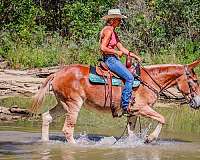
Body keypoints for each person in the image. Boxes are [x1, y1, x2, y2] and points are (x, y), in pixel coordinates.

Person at [100, 9, 142, 114]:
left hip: (113, 58)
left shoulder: (113, 32)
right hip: (110, 59)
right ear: (112, 20)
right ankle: (125, 105)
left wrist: (135, 56)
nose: (120, 22)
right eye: (119, 20)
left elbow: (122, 48)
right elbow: (102, 48)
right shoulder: (108, 31)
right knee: (129, 78)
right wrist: (115, 52)